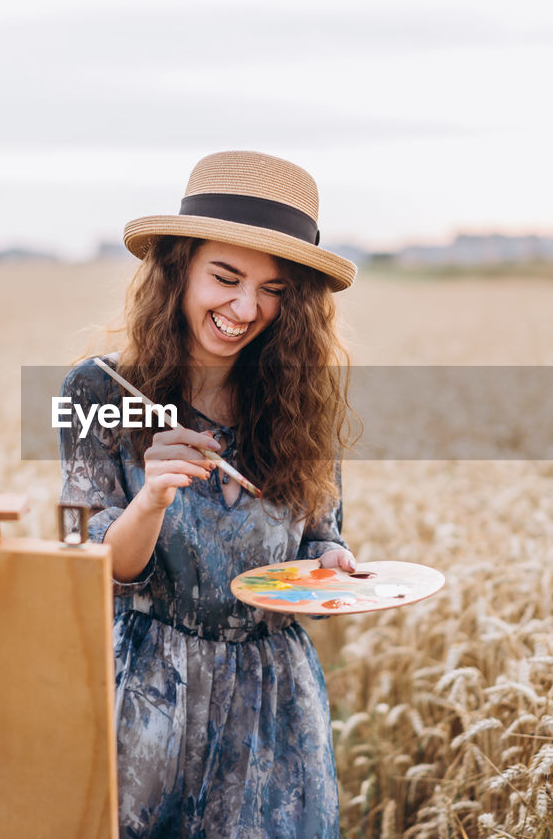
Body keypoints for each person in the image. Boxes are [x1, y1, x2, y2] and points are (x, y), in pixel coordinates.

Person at [59, 150, 358, 838]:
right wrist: (152, 498)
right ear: (178, 269)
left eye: (274, 289)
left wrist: (333, 563)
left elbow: (322, 534)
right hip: (146, 696)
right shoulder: (98, 391)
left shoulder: (301, 397)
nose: (246, 307)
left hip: (272, 702)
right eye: (225, 276)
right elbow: (93, 562)